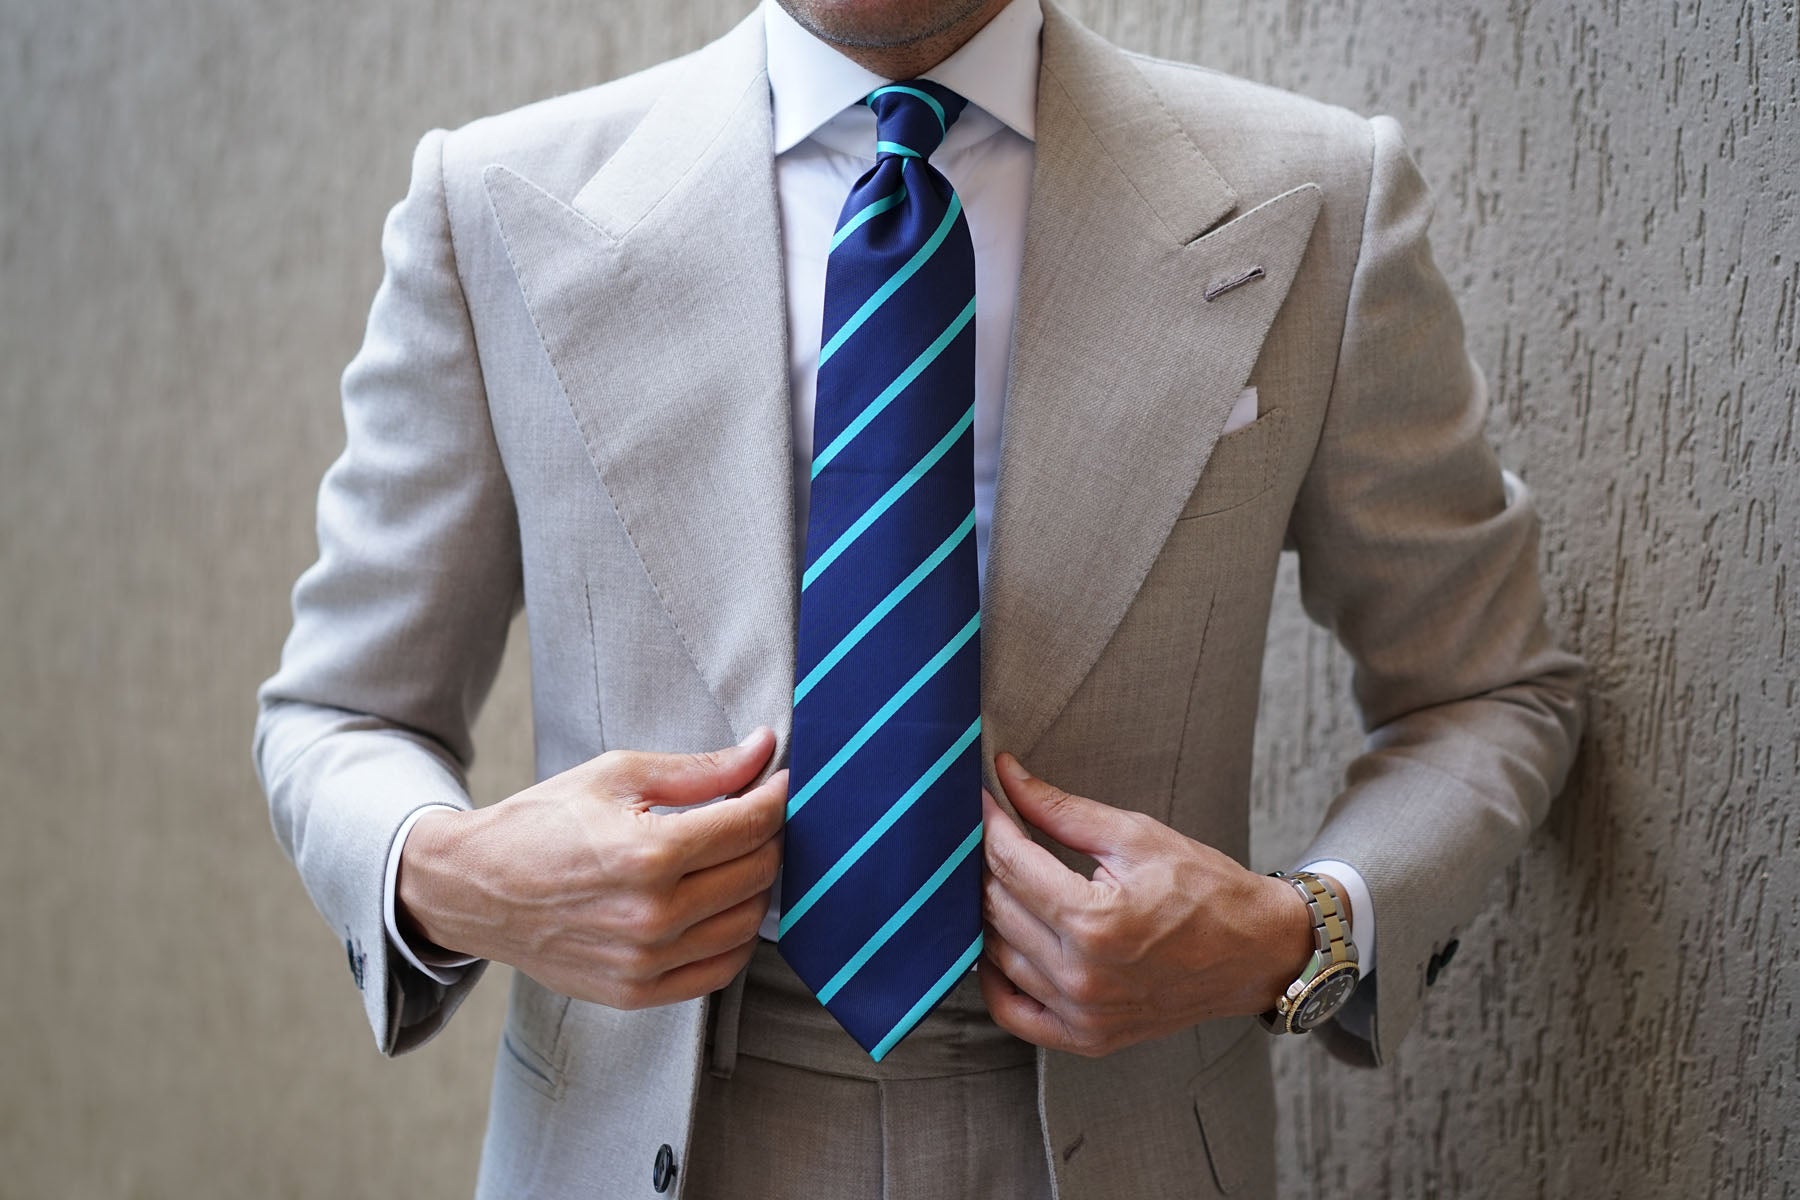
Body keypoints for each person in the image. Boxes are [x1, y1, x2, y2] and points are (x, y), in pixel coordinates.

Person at [254, 0, 1585, 1194]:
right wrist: (460, 874)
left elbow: (1489, 690)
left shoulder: (1318, 199)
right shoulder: (492, 203)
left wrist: (1299, 934)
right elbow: (335, 710)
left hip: (1115, 1137)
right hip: (638, 1136)